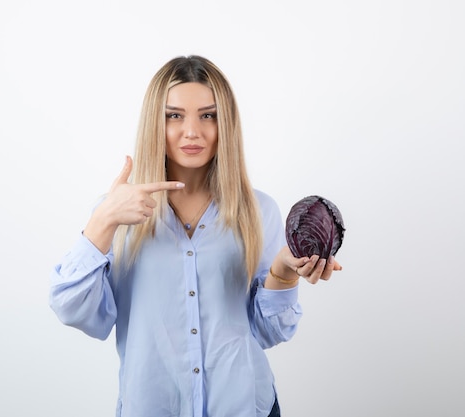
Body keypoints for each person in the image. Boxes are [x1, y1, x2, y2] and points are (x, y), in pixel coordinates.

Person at [49, 55, 342, 417]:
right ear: (154, 123)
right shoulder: (117, 213)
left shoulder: (259, 210)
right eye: (174, 115)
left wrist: (283, 273)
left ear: (226, 124)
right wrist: (104, 219)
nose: (192, 131)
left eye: (208, 115)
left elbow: (267, 333)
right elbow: (75, 311)